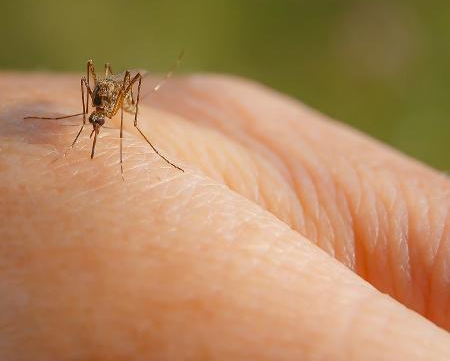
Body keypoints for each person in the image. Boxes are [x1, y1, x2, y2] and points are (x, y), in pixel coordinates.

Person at [0, 71, 449, 360]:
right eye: (94, 123)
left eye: (94, 123)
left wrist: (123, 125)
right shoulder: (93, 107)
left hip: (118, 99)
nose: (95, 128)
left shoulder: (114, 104)